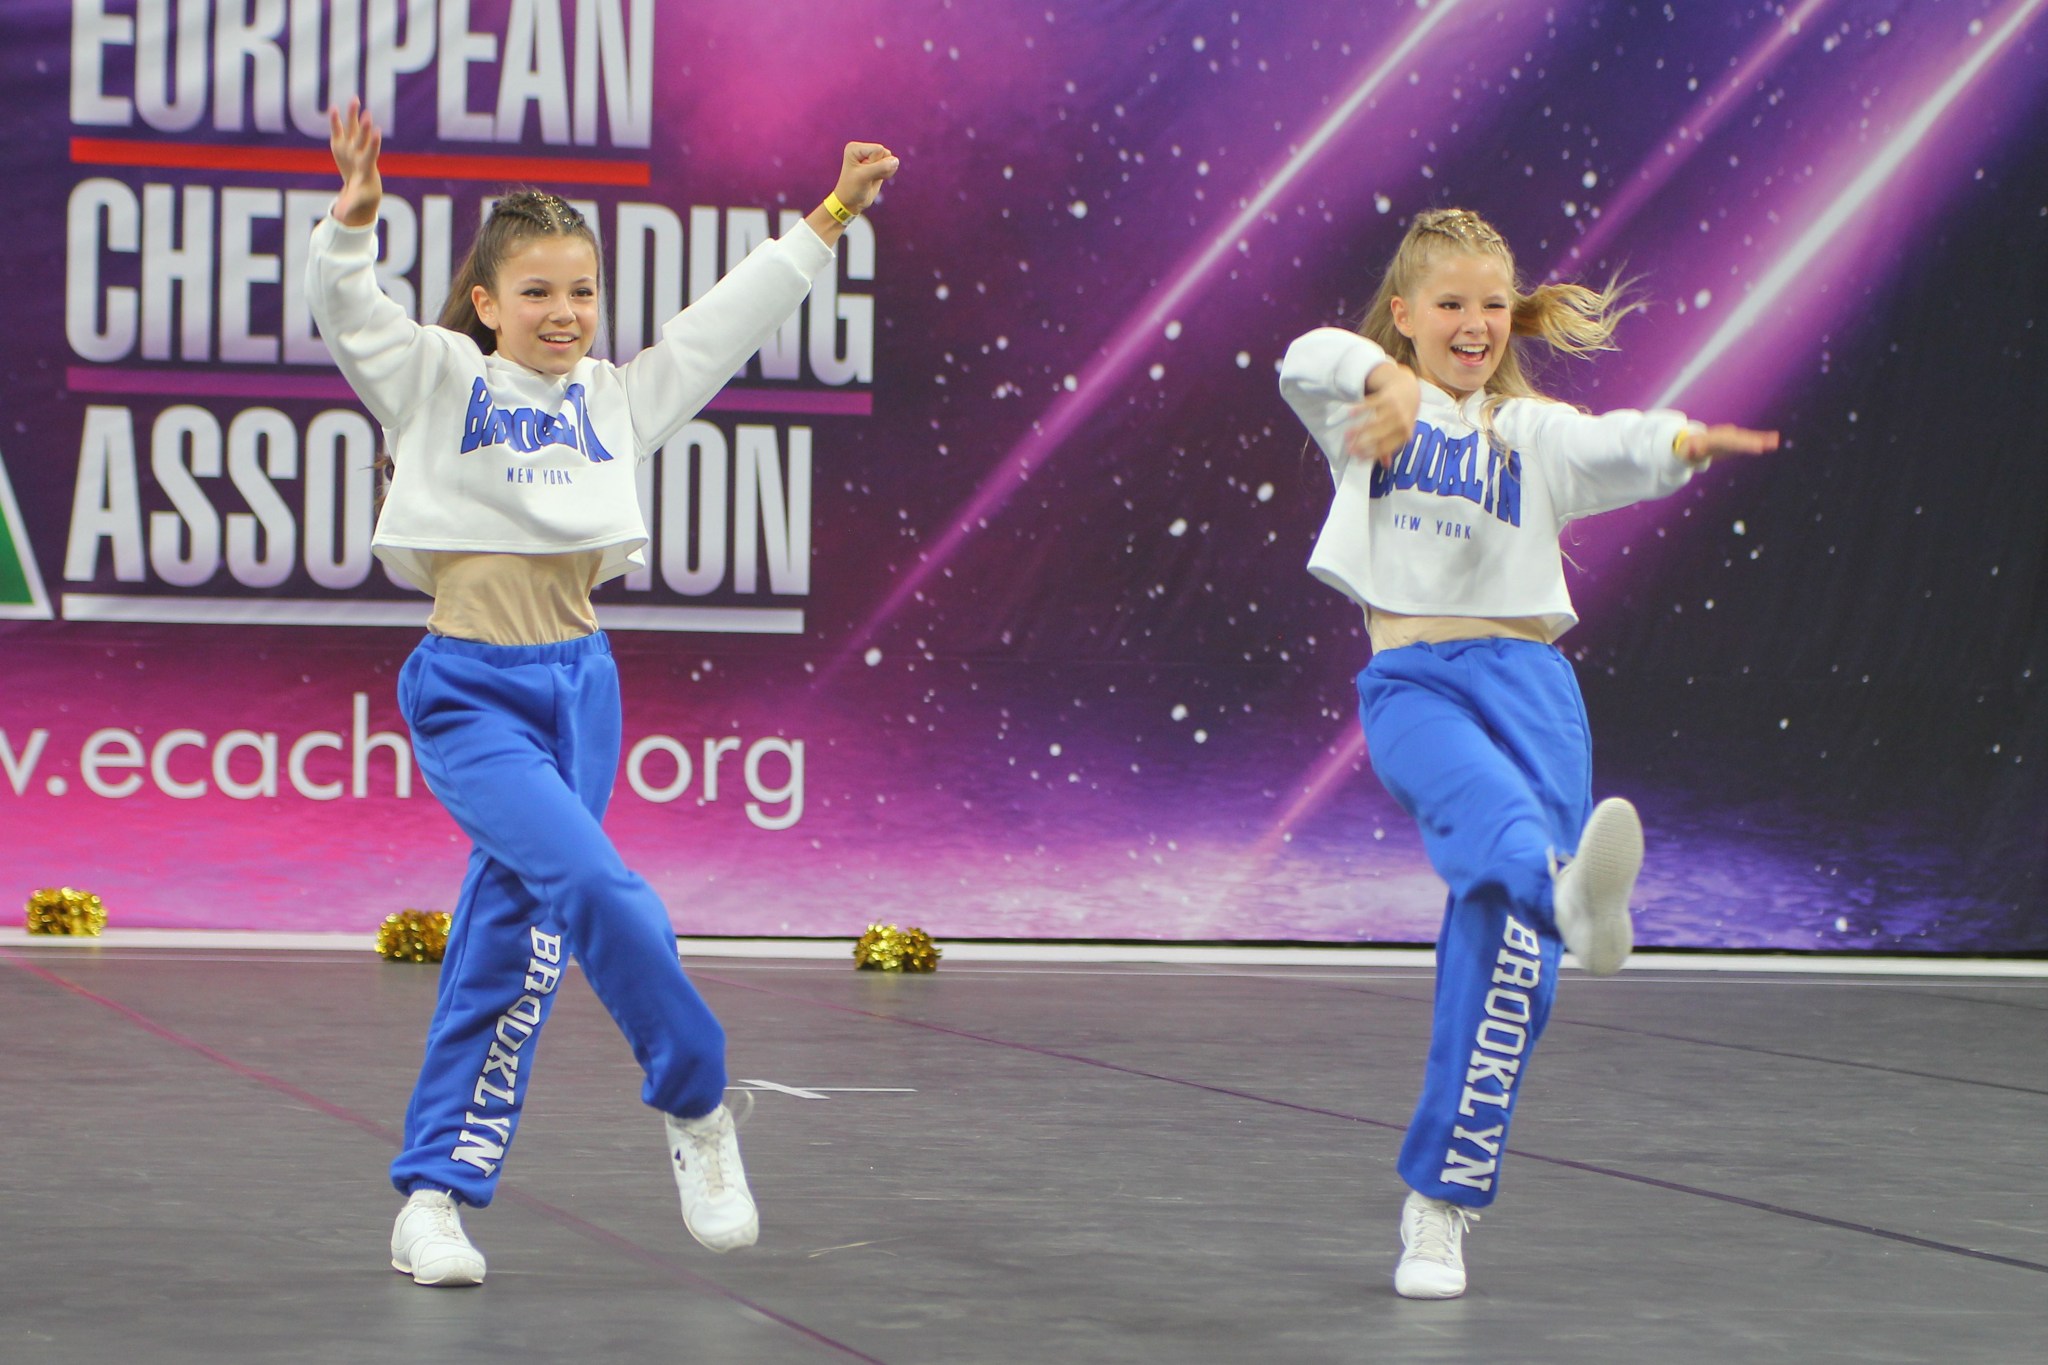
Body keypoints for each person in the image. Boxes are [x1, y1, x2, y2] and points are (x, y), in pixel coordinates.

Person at [309, 98, 899, 1287]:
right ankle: (695, 1101)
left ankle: (432, 1199)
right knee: (594, 893)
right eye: (535, 291)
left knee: (508, 945)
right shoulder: (435, 380)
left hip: (580, 690)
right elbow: (348, 309)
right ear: (487, 303)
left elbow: (726, 322)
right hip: (470, 692)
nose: (563, 312)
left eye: (580, 291)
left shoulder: (616, 400)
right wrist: (354, 221)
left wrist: (832, 213)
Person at [1278, 207, 1776, 1300]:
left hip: (1534, 691)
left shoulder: (1530, 432)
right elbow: (1303, 357)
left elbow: (1608, 445)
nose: (1474, 323)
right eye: (1449, 304)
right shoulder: (1368, 406)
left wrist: (1676, 442)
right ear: (1406, 313)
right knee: (1502, 834)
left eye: (1492, 304)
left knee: (1511, 958)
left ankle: (1440, 1207)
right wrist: (1381, 379)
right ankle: (1564, 896)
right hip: (1416, 685)